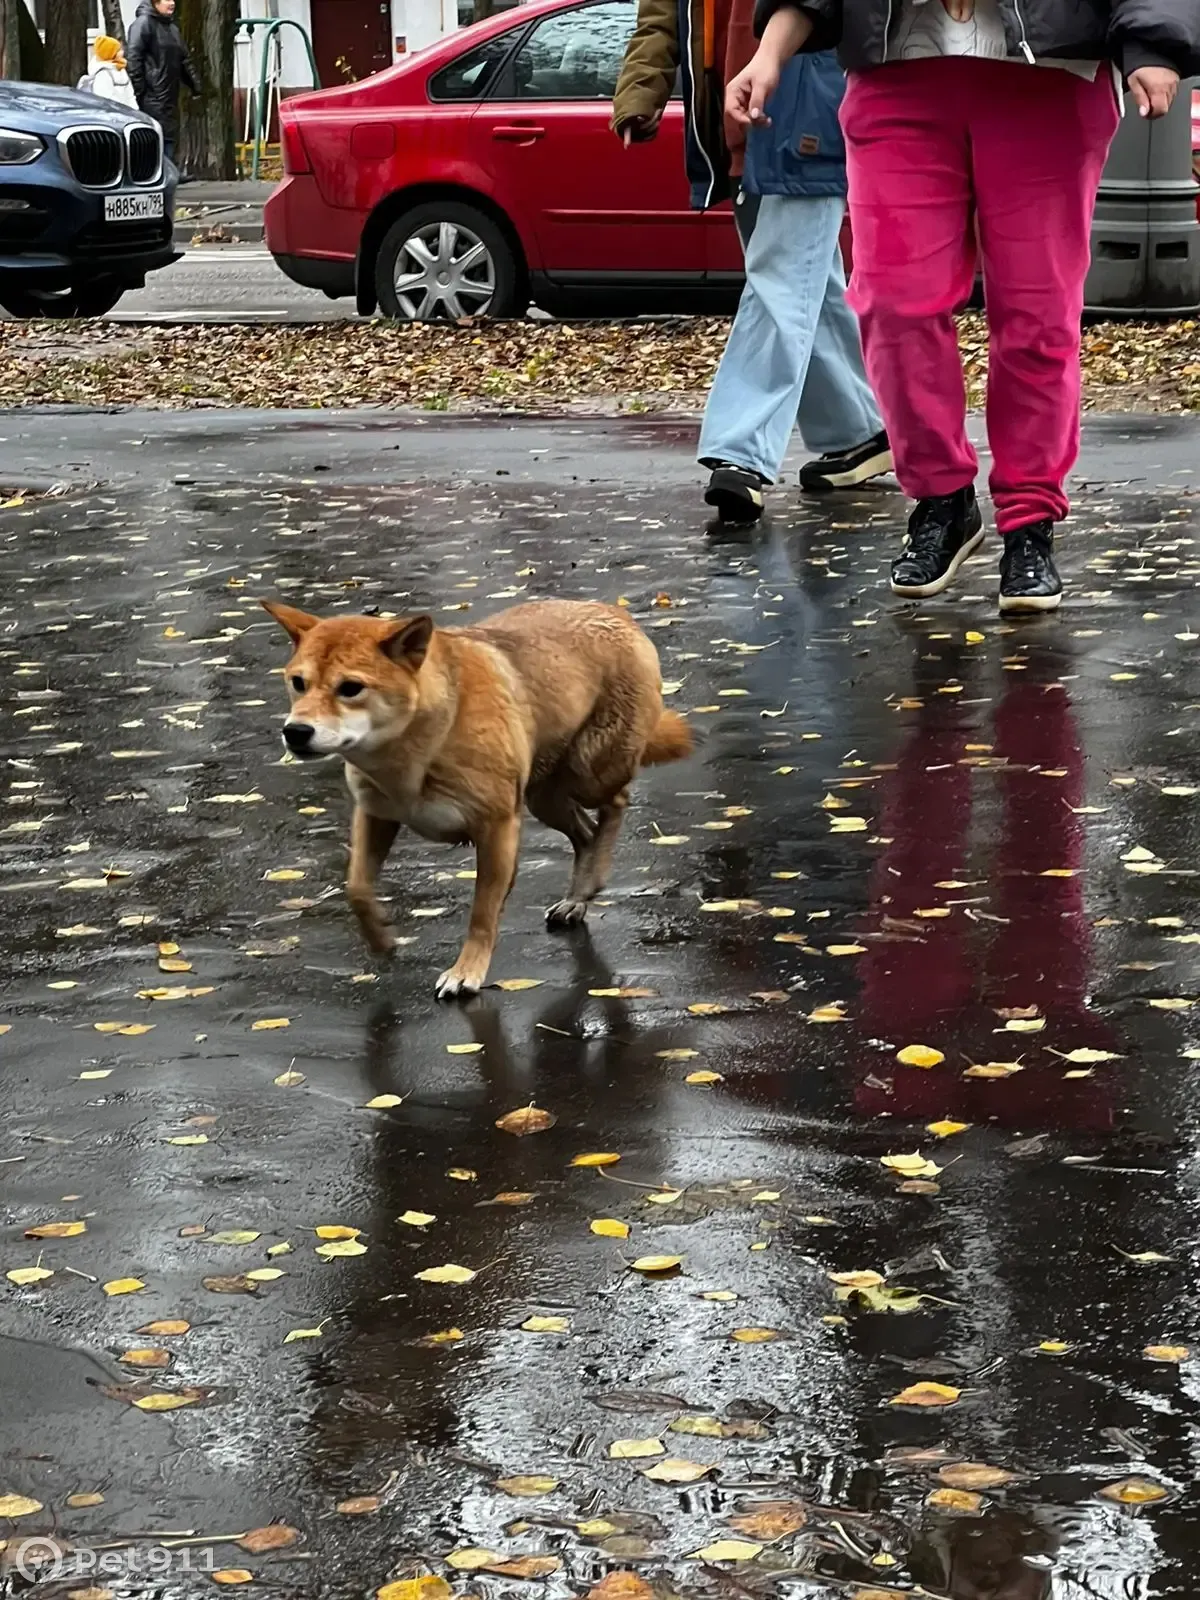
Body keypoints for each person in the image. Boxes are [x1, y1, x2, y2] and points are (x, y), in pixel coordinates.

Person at [728, 0, 1199, 608]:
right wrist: (769, 54)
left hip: (1049, 83)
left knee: (1037, 314)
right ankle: (942, 500)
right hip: (896, 81)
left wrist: (1154, 44)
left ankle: (1030, 522)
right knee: (893, 303)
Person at [612, 0, 891, 527]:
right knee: (810, 284)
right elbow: (662, 18)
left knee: (781, 283)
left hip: (808, 115)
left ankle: (739, 452)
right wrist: (639, 93)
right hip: (737, 129)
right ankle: (862, 431)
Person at [126, 0, 199, 165]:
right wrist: (139, 91)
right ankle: (159, 172)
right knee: (156, 133)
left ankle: (169, 170)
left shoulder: (171, 28)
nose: (172, 3)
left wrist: (196, 86)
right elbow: (134, 59)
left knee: (168, 133)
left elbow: (185, 60)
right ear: (155, 3)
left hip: (169, 90)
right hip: (152, 91)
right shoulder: (143, 24)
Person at [77, 35, 138, 109]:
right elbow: (106, 98)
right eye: (118, 50)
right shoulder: (103, 73)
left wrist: (135, 109)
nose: (122, 52)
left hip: (127, 112)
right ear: (110, 53)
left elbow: (130, 93)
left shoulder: (120, 68)